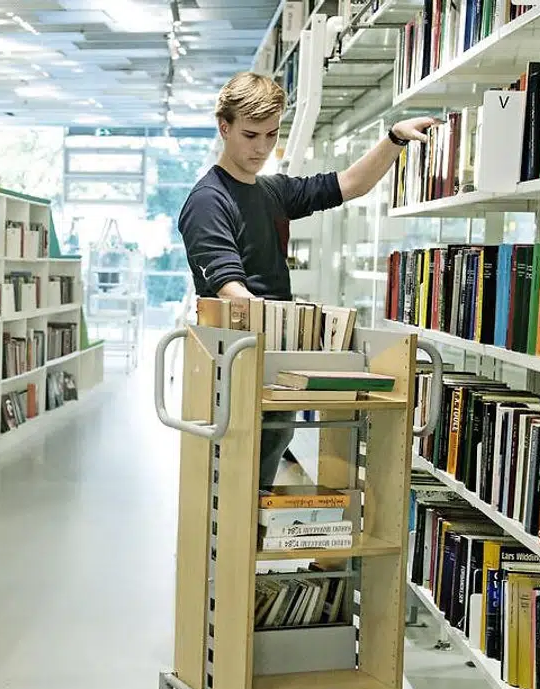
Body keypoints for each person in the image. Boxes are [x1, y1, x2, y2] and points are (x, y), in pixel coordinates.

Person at [178, 71, 436, 488]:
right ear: (224, 127)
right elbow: (231, 289)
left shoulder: (272, 191)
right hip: (237, 360)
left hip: (275, 357)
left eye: (271, 135)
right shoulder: (208, 201)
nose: (261, 148)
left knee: (266, 461)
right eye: (250, 135)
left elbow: (350, 184)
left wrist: (394, 139)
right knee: (236, 483)